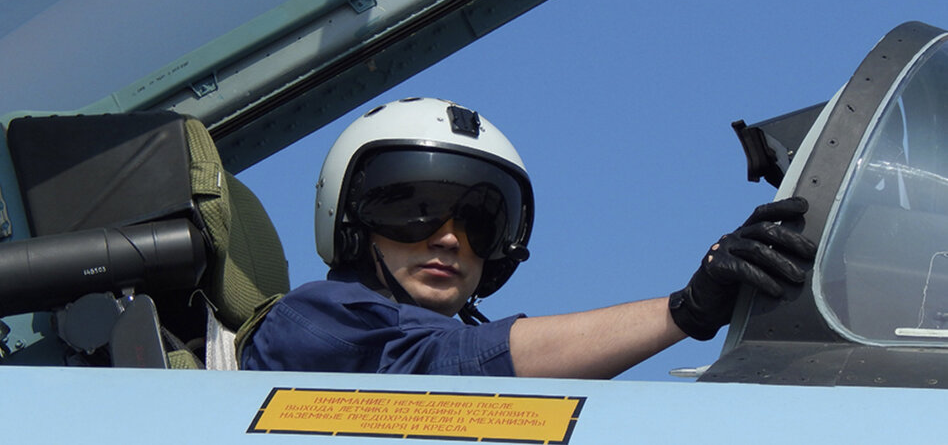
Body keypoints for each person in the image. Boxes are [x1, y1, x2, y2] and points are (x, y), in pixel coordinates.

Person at [239, 97, 816, 378]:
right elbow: (439, 368)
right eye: (415, 212)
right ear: (350, 221)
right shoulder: (312, 323)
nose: (450, 240)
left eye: (480, 222)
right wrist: (685, 311)